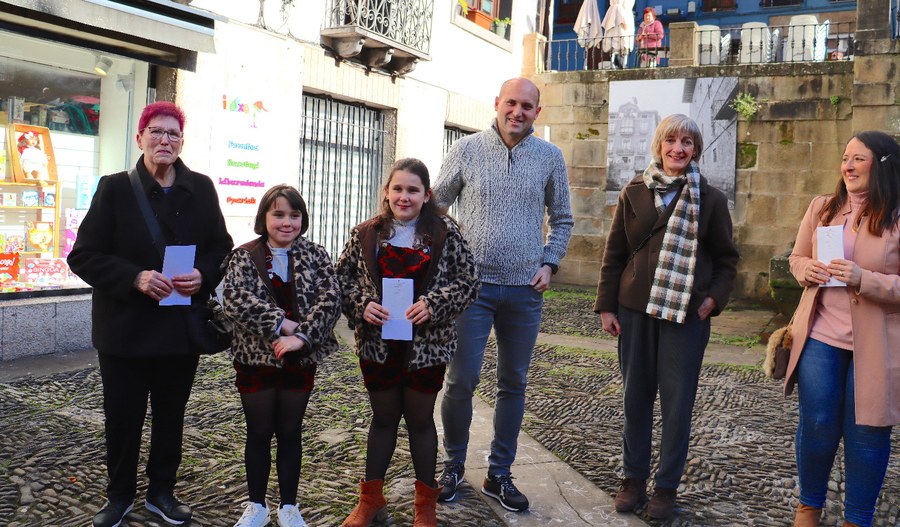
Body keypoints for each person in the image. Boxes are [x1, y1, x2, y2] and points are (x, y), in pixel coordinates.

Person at [67, 101, 234, 527]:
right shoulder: (115, 188)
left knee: (170, 415)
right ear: (140, 137)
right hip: (125, 329)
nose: (165, 140)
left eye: (173, 134)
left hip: (180, 329)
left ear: (182, 142)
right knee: (122, 418)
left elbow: (221, 248)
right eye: (156, 132)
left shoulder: (202, 188)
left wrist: (203, 275)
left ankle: (162, 491)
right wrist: (135, 277)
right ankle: (119, 495)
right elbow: (83, 255)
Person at [434, 77, 573, 513]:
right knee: (461, 380)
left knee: (513, 383)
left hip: (524, 292)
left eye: (527, 106)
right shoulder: (467, 149)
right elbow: (435, 207)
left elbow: (563, 218)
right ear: (496, 104)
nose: (518, 111)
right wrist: (447, 260)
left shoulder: (550, 157)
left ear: (537, 112)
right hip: (470, 290)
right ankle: (454, 465)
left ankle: (499, 473)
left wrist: (549, 262)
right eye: (511, 103)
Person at [594, 114, 739, 520]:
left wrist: (713, 299)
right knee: (635, 398)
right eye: (671, 140)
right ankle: (633, 479)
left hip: (686, 314)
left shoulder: (709, 199)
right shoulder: (634, 191)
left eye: (687, 142)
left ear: (696, 150)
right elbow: (615, 254)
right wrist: (607, 305)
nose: (678, 148)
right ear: (659, 145)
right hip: (635, 308)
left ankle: (666, 487)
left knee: (677, 405)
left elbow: (727, 259)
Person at [336, 158, 479, 527]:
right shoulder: (365, 233)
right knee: (383, 418)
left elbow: (469, 282)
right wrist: (362, 304)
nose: (404, 196)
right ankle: (370, 501)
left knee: (419, 420)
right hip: (378, 345)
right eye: (397, 189)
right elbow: (342, 280)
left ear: (426, 194)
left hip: (426, 347)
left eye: (413, 190)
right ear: (386, 192)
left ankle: (424, 507)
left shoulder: (446, 233)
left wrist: (434, 304)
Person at [785, 131, 899, 527]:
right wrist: (806, 270)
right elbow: (796, 257)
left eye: (858, 159)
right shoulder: (823, 208)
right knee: (816, 422)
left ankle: (857, 519)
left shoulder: (898, 216)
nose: (847, 166)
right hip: (821, 335)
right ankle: (808, 508)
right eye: (845, 158)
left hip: (879, 344)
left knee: (868, 431)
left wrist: (862, 277)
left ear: (882, 163)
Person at [223, 184, 341, 527]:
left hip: (299, 360)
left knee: (290, 431)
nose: (286, 222)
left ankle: (289, 505)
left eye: (294, 214)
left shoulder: (316, 255)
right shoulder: (245, 255)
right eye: (278, 214)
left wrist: (302, 336)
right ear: (264, 217)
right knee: (258, 431)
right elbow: (235, 299)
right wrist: (282, 324)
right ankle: (256, 505)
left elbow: (330, 300)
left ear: (302, 219)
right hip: (254, 359)